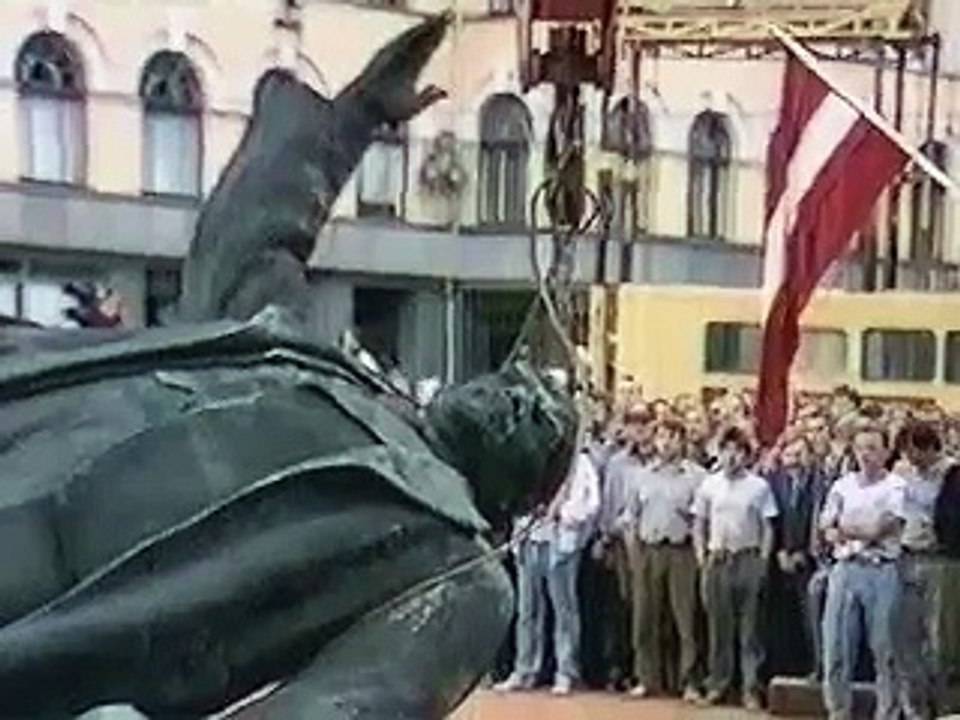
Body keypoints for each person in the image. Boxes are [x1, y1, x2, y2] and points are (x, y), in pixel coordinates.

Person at [496, 446, 600, 695]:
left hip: (560, 543)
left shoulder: (579, 463)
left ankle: (566, 671)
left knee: (564, 611)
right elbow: (515, 496)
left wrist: (564, 514)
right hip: (529, 540)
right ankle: (525, 669)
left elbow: (592, 502)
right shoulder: (530, 457)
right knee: (527, 611)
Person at [819, 423, 906, 720]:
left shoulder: (895, 487)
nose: (865, 455)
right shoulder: (842, 485)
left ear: (886, 452)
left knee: (885, 649)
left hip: (882, 570)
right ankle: (838, 711)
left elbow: (881, 528)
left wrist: (847, 528)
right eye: (860, 448)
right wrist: (850, 530)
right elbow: (827, 529)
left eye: (872, 448)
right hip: (845, 568)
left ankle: (887, 713)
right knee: (836, 646)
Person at [618, 419, 705, 702]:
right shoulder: (641, 476)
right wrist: (633, 553)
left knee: (685, 619)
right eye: (662, 437)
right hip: (648, 550)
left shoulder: (696, 476)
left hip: (681, 550)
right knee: (645, 617)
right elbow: (630, 517)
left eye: (672, 437)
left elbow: (702, 519)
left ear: (682, 441)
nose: (666, 443)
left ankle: (689, 681)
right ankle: (646, 678)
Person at [693, 426, 778, 711]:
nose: (731, 457)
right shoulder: (709, 484)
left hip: (747, 557)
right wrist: (702, 556)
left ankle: (750, 688)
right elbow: (699, 523)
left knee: (750, 629)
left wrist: (762, 561)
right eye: (726, 450)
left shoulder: (759, 486)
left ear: (746, 455)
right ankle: (718, 684)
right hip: (718, 558)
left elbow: (768, 527)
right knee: (719, 628)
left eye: (738, 451)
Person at [895, 421, 960, 719]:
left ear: (928, 447)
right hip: (906, 557)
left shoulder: (953, 475)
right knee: (906, 636)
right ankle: (915, 708)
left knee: (940, 641)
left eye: (913, 452)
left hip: (940, 561)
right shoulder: (902, 474)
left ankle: (945, 707)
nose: (910, 459)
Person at [765, 436, 825, 678]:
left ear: (810, 456)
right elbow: (771, 520)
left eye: (800, 454)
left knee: (811, 620)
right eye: (790, 454)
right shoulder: (773, 482)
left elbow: (818, 522)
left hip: (809, 563)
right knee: (781, 621)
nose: (794, 460)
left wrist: (803, 553)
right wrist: (780, 550)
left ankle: (815, 667)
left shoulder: (819, 485)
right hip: (779, 561)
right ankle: (782, 669)